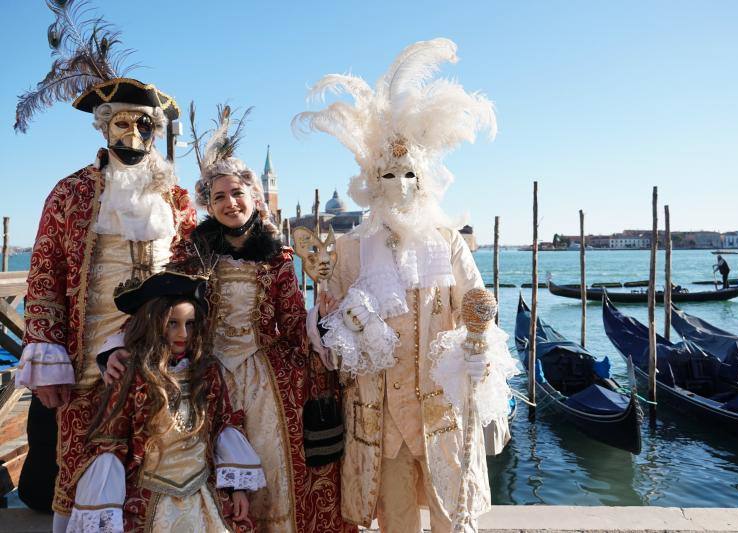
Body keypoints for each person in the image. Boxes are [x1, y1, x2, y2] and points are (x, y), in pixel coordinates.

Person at [296, 38, 516, 532]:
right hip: (379, 414)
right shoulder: (353, 248)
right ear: (373, 183)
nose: (399, 185)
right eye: (388, 175)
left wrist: (478, 337)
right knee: (394, 517)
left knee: (450, 516)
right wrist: (336, 318)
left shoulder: (446, 241)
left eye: (409, 174)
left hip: (438, 407)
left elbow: (477, 301)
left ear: (424, 181)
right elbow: (329, 324)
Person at [105, 104, 350, 532]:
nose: (230, 203)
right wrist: (116, 349)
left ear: (253, 196)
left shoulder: (277, 258)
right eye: (219, 196)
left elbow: (293, 324)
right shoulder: (192, 253)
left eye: (237, 193)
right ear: (209, 205)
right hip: (208, 373)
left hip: (265, 376)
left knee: (275, 468)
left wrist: (322, 322)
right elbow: (161, 308)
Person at [13, 4, 195, 528]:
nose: (132, 133)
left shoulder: (177, 197)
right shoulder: (70, 193)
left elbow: (192, 273)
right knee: (89, 457)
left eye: (143, 124)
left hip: (163, 346)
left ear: (154, 130)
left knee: (159, 454)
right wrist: (47, 353)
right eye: (121, 122)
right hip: (88, 348)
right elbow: (44, 274)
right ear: (103, 127)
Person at [65, 271, 265, 532]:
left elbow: (221, 427)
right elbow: (111, 443)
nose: (183, 333)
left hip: (202, 493)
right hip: (150, 497)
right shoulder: (134, 375)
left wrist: (237, 488)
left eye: (190, 324)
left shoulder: (207, 372)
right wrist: (105, 509)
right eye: (172, 323)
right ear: (152, 323)